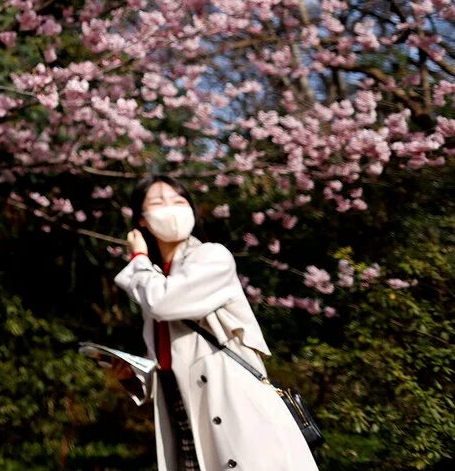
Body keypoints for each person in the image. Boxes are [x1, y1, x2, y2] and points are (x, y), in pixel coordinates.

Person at [115, 175, 318, 471]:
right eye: (158, 202)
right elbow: (170, 363)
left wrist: (138, 259)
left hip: (235, 409)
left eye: (179, 201)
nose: (171, 209)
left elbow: (163, 302)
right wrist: (131, 378)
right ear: (142, 221)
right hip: (184, 415)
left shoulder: (211, 257)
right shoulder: (156, 279)